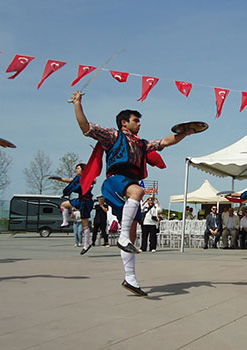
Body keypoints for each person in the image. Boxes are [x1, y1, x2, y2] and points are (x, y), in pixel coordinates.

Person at [70, 91, 195, 296]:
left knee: (131, 235)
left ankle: (130, 278)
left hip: (129, 184)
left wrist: (185, 133)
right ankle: (121, 238)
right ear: (124, 123)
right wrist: (77, 103)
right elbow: (86, 128)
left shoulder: (141, 143)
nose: (139, 124)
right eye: (136, 120)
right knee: (138, 191)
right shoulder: (113, 135)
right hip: (116, 181)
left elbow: (164, 142)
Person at [49, 163, 95, 255]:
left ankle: (86, 244)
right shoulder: (76, 179)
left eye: (78, 168)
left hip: (86, 202)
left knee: (84, 224)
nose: (76, 170)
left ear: (83, 169)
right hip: (80, 200)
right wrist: (56, 178)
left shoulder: (87, 178)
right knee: (63, 205)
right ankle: (65, 222)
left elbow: (93, 180)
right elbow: (67, 180)